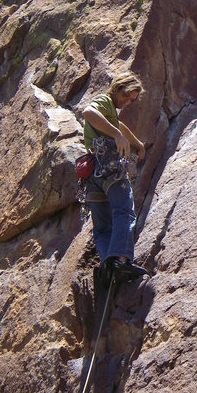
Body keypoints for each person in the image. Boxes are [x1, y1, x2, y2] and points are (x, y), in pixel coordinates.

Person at [83, 71, 147, 283]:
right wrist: (117, 136)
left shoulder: (109, 111)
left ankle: (108, 266)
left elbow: (118, 126)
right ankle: (121, 259)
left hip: (90, 173)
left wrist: (137, 144)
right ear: (119, 87)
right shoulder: (103, 101)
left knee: (102, 228)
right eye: (127, 96)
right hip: (107, 165)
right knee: (124, 211)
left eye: (132, 100)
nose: (128, 102)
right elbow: (88, 112)